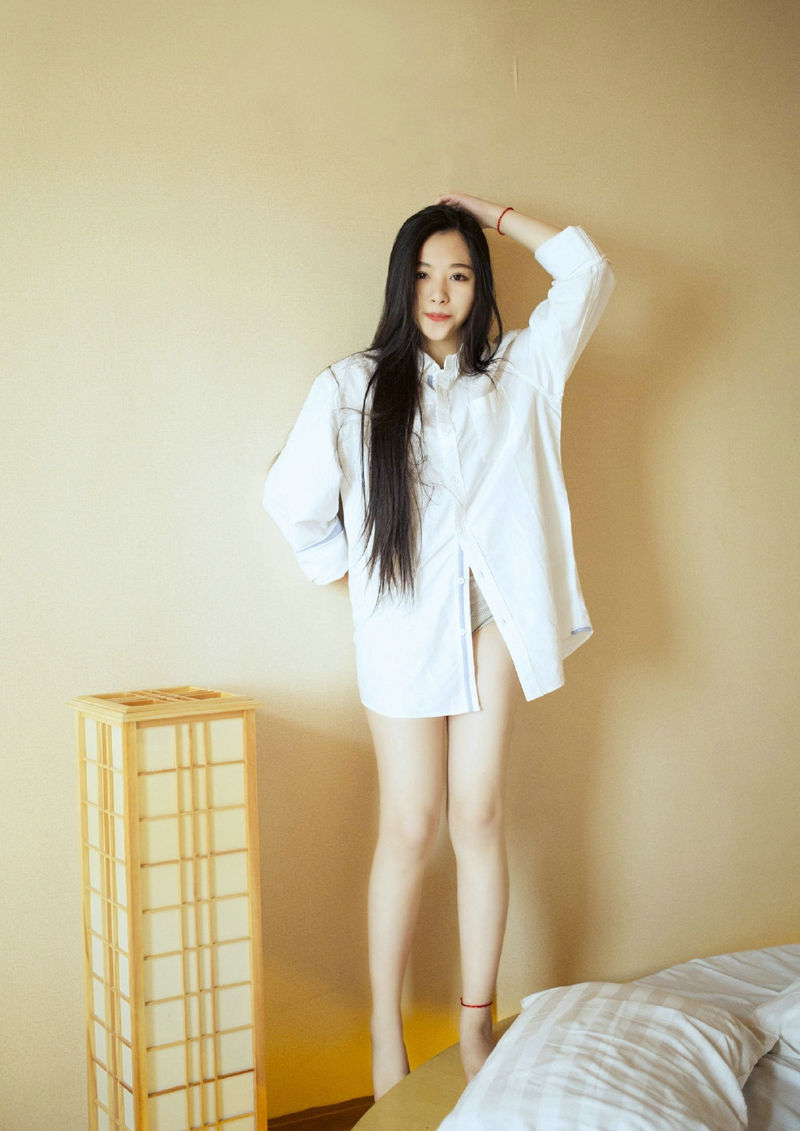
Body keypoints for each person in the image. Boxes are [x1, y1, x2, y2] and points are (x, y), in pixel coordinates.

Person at [263, 192, 615, 1099]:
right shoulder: (351, 388)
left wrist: (492, 212)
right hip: (402, 633)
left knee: (479, 813)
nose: (440, 291)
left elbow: (588, 273)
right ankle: (385, 1031)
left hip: (494, 618)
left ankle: (475, 1025)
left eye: (458, 274)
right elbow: (291, 502)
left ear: (478, 286)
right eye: (424, 273)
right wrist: (353, 574)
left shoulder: (520, 373)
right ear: (401, 282)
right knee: (410, 823)